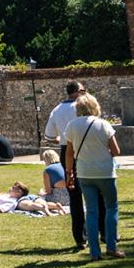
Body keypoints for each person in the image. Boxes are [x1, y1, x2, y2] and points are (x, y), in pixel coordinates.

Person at [64, 93, 124, 260]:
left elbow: (69, 153)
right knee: (111, 207)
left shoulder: (72, 126)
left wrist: (69, 173)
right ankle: (111, 247)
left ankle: (94, 252)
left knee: (91, 211)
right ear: (94, 106)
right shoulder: (103, 124)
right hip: (105, 172)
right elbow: (116, 151)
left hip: (84, 172)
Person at [46, 80, 91, 254]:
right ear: (78, 91)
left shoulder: (57, 110)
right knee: (95, 190)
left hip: (66, 150)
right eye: (84, 90)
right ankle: (103, 231)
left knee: (75, 195)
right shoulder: (83, 106)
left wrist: (60, 140)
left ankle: (80, 238)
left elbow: (50, 135)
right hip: (85, 147)